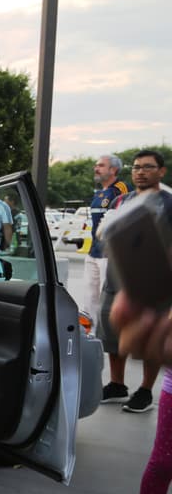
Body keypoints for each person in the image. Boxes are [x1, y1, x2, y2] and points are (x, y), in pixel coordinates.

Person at [95, 150, 169, 413]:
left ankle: (146, 390)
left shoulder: (168, 203)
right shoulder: (122, 200)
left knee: (149, 335)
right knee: (112, 332)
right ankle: (117, 384)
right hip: (117, 278)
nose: (140, 171)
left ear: (161, 171)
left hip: (152, 284)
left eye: (148, 167)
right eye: (137, 167)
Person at [85, 154, 128, 335]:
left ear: (113, 170)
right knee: (90, 295)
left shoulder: (119, 190)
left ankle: (110, 332)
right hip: (93, 252)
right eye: (96, 165)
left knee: (108, 296)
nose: (96, 168)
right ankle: (89, 332)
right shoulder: (98, 194)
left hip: (110, 254)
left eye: (101, 165)